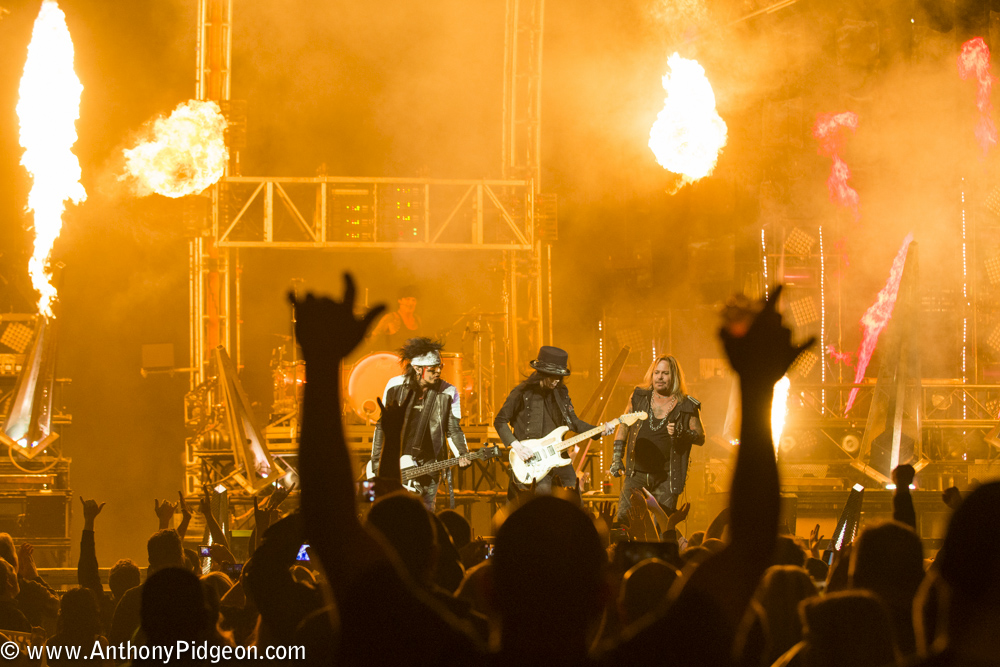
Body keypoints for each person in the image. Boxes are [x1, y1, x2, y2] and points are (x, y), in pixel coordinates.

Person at [494, 346, 613, 498]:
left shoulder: (561, 392)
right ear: (541, 373)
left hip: (558, 456)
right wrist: (517, 446)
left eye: (559, 376)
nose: (556, 380)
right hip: (532, 458)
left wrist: (599, 429)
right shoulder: (522, 392)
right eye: (552, 376)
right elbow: (500, 421)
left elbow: (574, 422)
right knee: (542, 503)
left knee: (574, 497)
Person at [370, 337, 470, 510]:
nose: (438, 371)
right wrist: (375, 466)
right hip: (398, 465)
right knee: (389, 511)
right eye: (432, 369)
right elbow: (381, 428)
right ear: (417, 368)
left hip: (429, 466)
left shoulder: (448, 391)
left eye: (440, 367)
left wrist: (463, 452)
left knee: (426, 514)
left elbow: (453, 428)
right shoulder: (394, 386)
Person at [609, 356, 705, 519]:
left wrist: (682, 433)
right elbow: (624, 425)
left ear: (674, 377)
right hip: (636, 474)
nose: (659, 377)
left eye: (665, 373)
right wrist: (617, 457)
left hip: (667, 477)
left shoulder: (687, 404)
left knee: (661, 526)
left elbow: (700, 437)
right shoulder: (638, 397)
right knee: (624, 522)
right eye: (656, 373)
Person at [369, 285, 421, 350]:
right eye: (407, 299)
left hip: (413, 358)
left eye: (413, 300)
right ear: (399, 301)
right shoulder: (390, 318)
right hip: (394, 358)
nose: (411, 303)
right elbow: (373, 338)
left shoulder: (417, 319)